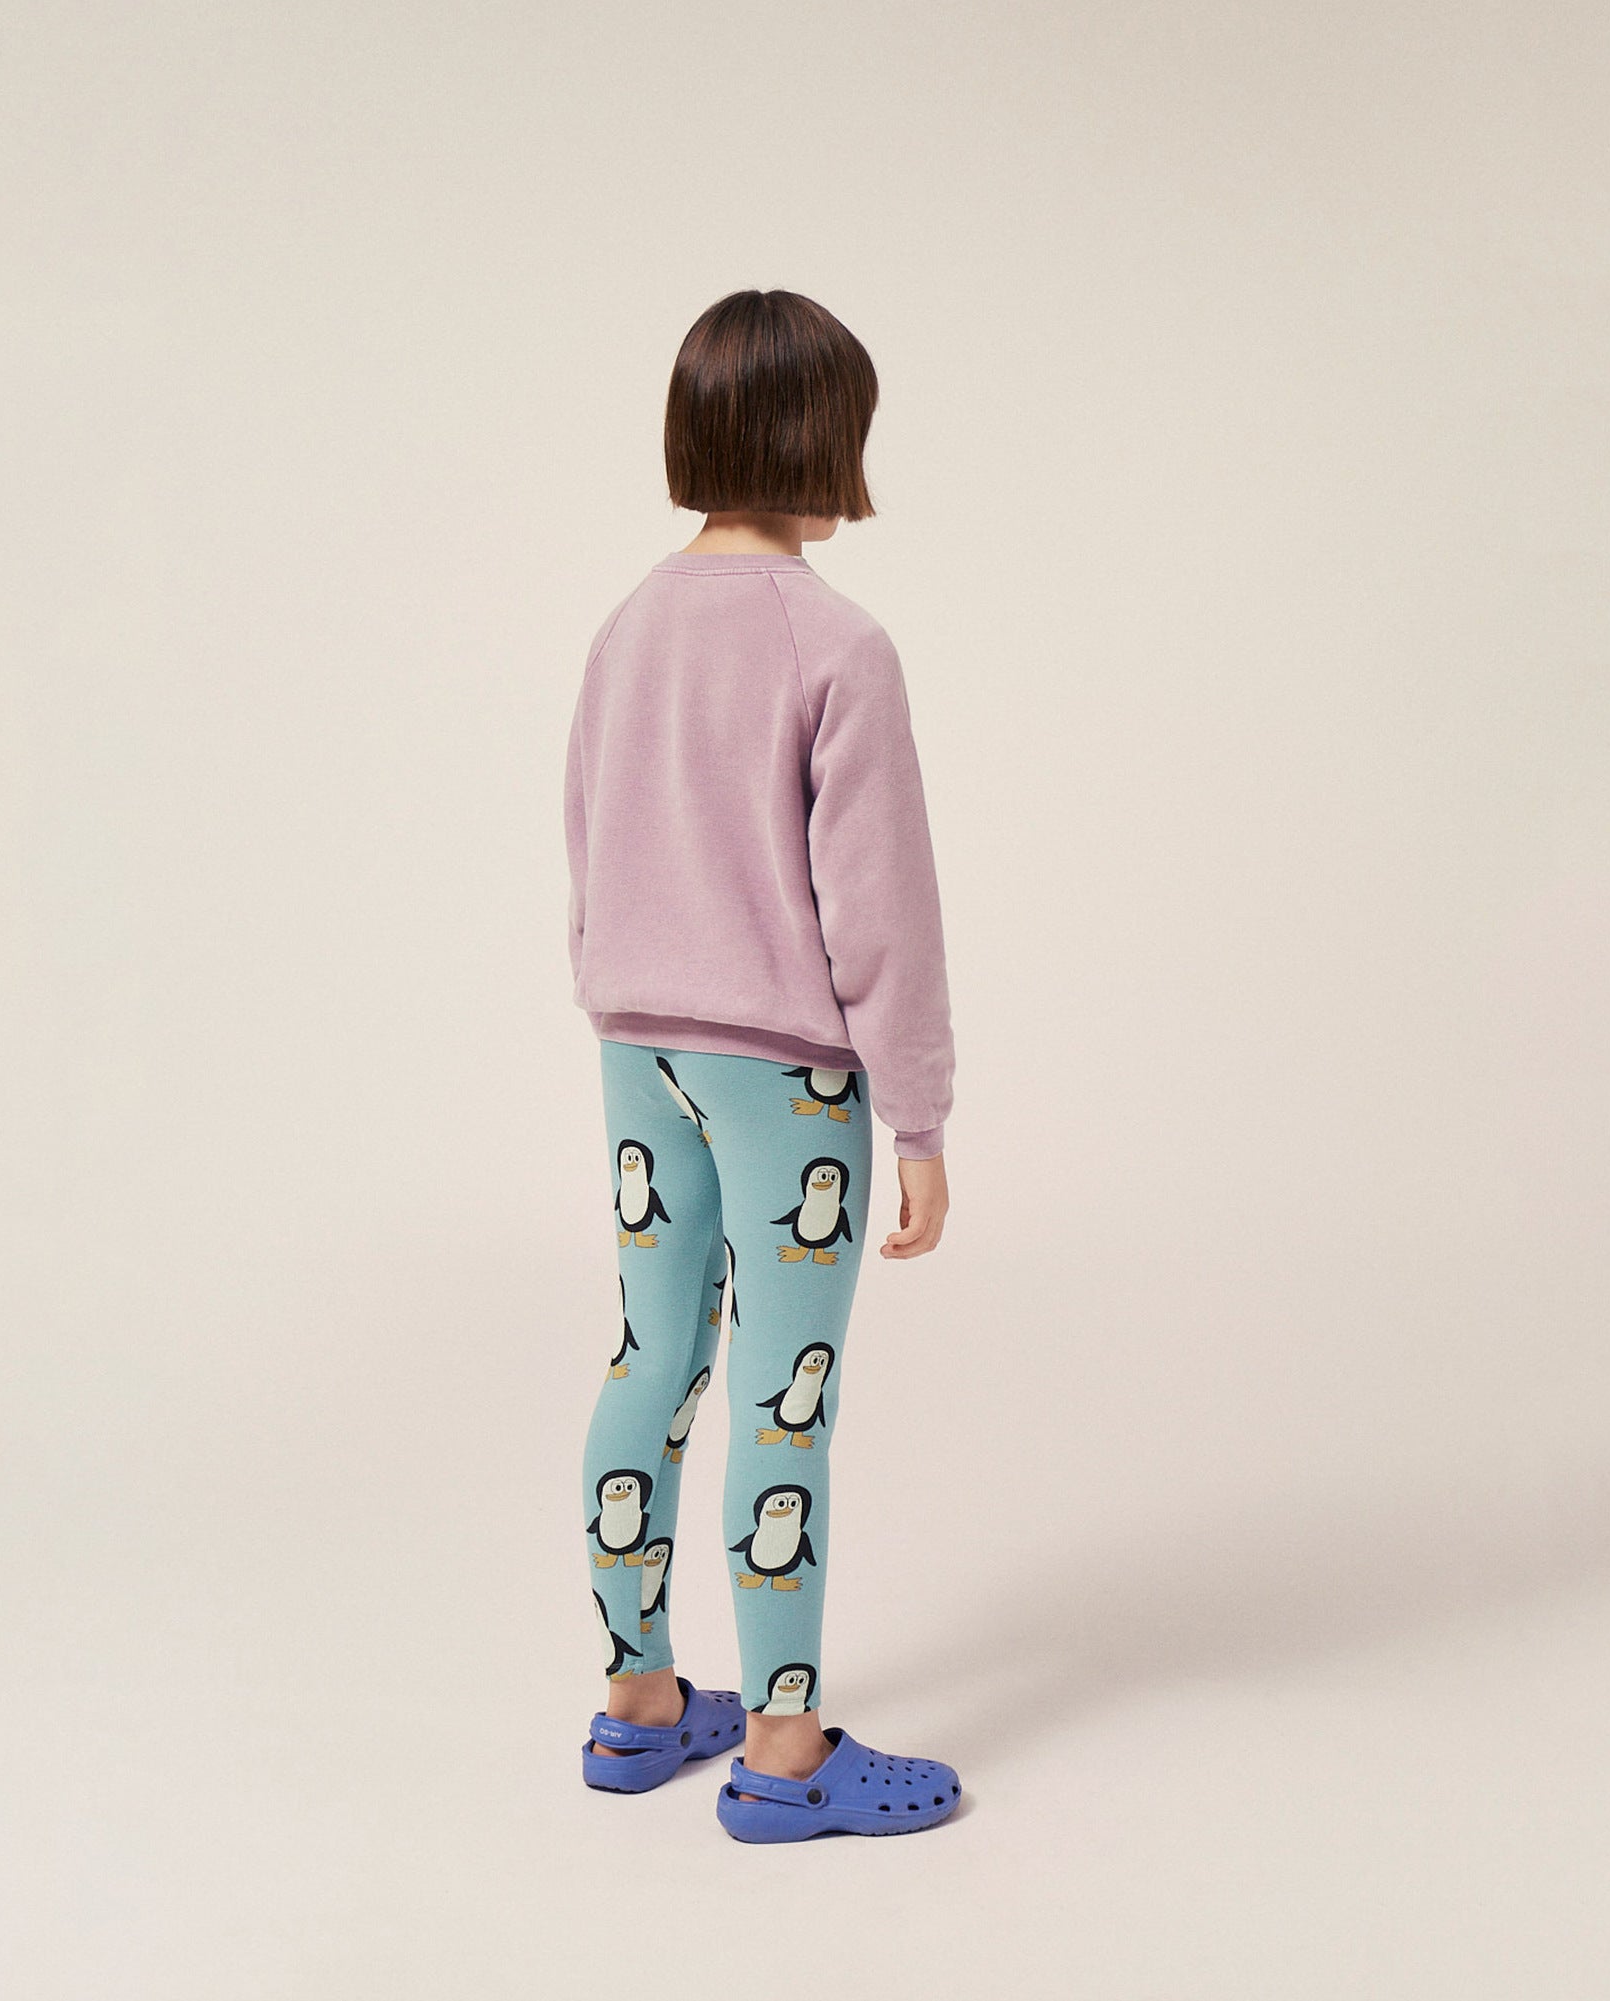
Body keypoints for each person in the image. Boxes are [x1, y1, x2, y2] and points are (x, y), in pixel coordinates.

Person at [564, 289, 962, 1842]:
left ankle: (637, 1700)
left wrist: (619, 996)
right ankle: (784, 1751)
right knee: (784, 1404)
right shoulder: (837, 645)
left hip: (638, 1050)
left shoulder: (626, 626)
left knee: (648, 1361)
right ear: (820, 441)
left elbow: (587, 840)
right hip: (783, 1073)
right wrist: (916, 1115)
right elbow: (884, 908)